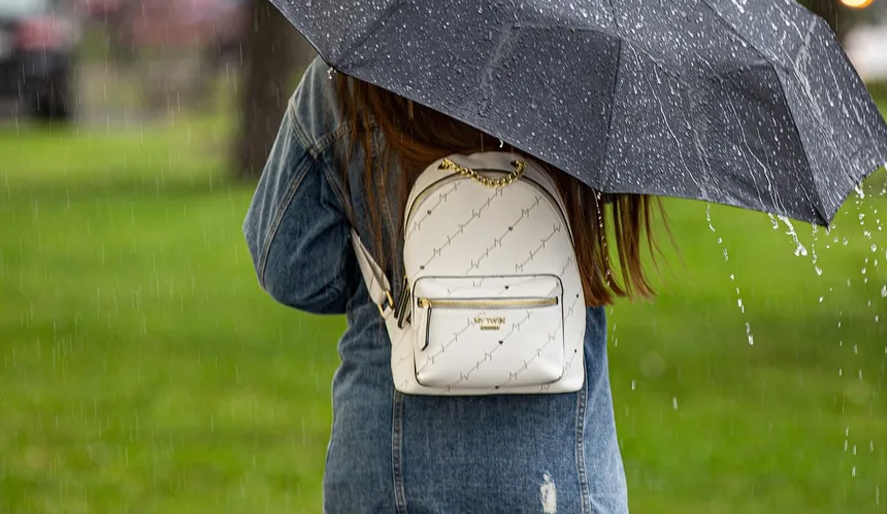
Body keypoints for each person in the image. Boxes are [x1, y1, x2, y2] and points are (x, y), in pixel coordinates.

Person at [244, 56, 666, 513]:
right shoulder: (588, 70)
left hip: (390, 464)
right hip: (560, 473)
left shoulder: (353, 70)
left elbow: (288, 265)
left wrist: (394, 285)